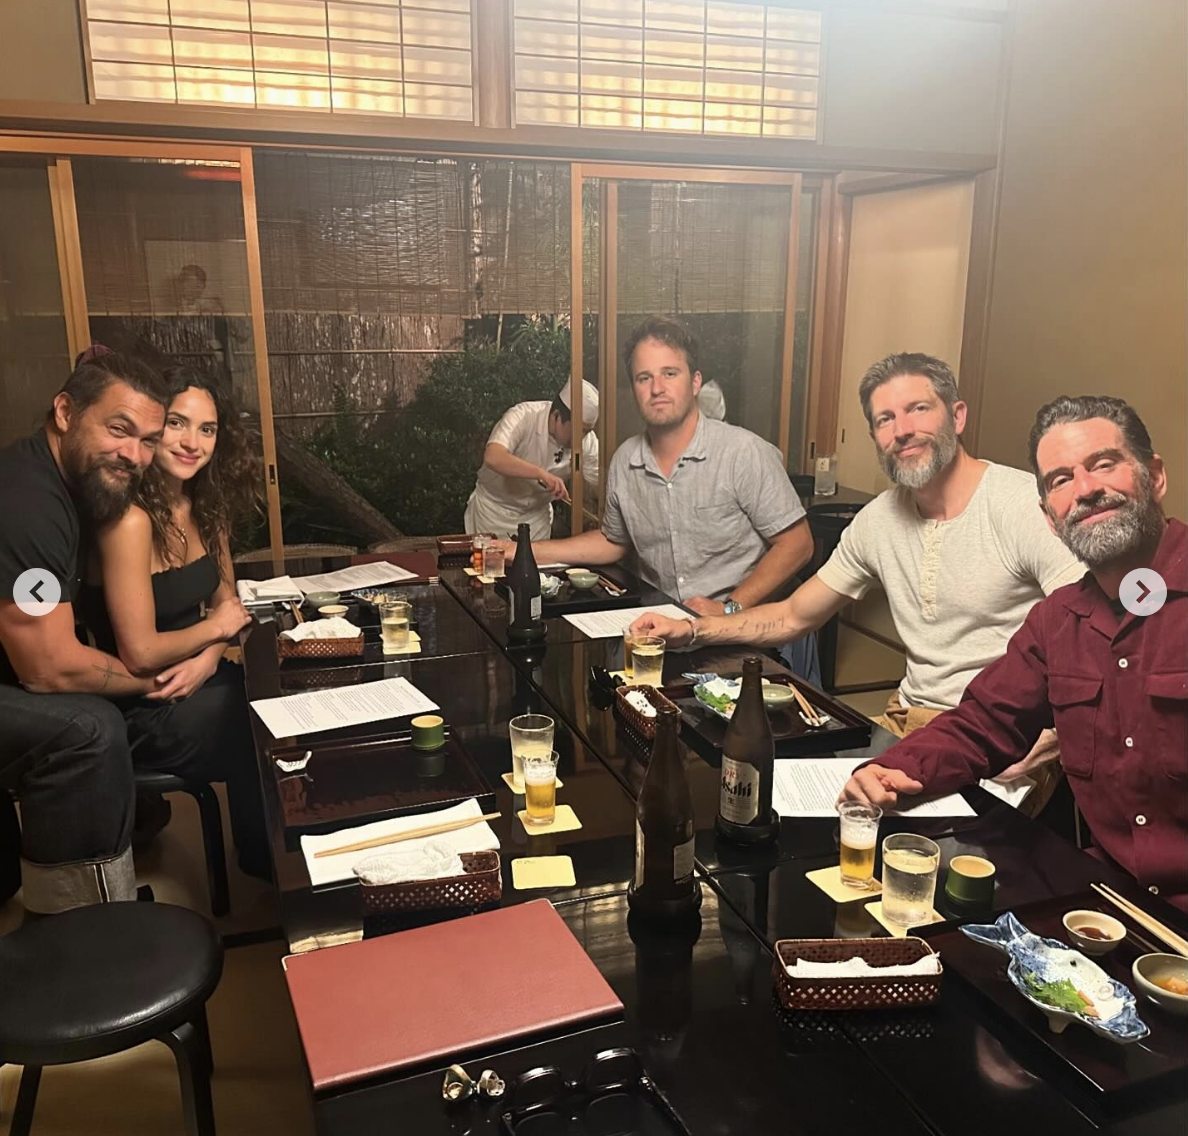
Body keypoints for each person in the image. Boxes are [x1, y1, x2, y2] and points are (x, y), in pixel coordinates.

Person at [632, 353, 1084, 808]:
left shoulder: (1023, 505)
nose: (902, 429)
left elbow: (1099, 630)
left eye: (918, 409)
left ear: (958, 416)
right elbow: (793, 614)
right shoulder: (879, 519)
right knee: (761, 809)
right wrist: (692, 629)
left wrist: (1053, 735)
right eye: (885, 419)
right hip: (906, 723)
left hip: (1001, 743)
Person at [841, 395, 1187, 909]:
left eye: (1104, 465)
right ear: (1050, 517)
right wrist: (894, 769)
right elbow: (984, 723)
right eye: (1061, 480)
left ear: (1154, 476)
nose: (1086, 489)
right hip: (1109, 903)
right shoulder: (1057, 621)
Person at [0, 352, 172, 912]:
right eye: (119, 429)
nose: (134, 454)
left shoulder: (66, 487)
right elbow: (50, 667)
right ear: (65, 411)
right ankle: (88, 934)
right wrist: (150, 679)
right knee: (86, 727)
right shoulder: (29, 502)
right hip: (23, 673)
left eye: (148, 440)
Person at [81, 366, 268, 879]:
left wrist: (207, 662)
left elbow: (230, 608)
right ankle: (271, 863)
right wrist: (214, 633)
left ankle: (276, 856)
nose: (192, 442)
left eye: (206, 429)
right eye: (178, 424)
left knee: (282, 699)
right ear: (154, 428)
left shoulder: (206, 504)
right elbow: (140, 652)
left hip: (197, 679)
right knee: (265, 720)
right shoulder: (129, 520)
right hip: (145, 701)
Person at [499, 316, 812, 615]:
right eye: (644, 377)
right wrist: (525, 551)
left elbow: (797, 545)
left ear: (695, 382)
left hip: (737, 640)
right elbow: (612, 541)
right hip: (659, 634)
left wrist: (729, 608)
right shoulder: (625, 460)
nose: (657, 388)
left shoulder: (743, 453)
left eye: (670, 373)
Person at [464, 379, 600, 542]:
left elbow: (599, 482)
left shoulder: (588, 441)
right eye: (577, 430)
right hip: (491, 513)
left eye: (585, 432)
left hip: (536, 521)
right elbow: (493, 456)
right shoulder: (524, 415)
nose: (581, 438)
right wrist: (540, 474)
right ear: (556, 416)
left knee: (537, 567)